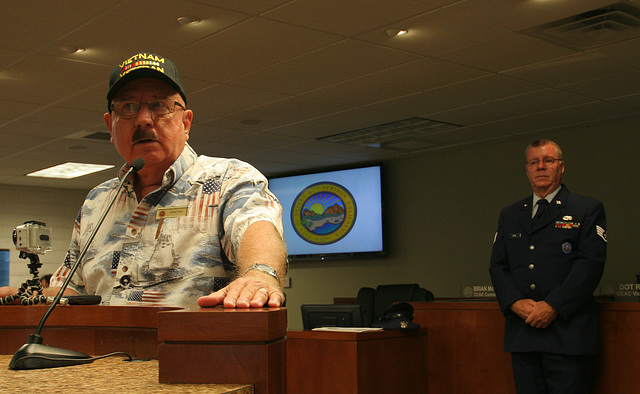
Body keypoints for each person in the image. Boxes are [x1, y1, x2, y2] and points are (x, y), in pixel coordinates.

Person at [1, 52, 287, 308]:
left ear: (185, 123)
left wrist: (261, 273)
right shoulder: (97, 202)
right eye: (127, 107)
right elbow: (72, 293)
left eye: (159, 105)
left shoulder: (228, 179)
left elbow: (257, 229)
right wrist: (23, 300)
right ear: (109, 125)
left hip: (192, 360)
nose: (143, 119)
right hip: (102, 362)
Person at [489, 139, 607, 393]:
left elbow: (590, 264)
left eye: (548, 161)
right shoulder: (510, 215)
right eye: (534, 162)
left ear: (561, 167)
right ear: (527, 169)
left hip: (568, 335)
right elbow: (498, 267)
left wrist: (554, 305)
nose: (540, 167)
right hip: (524, 334)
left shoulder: (586, 209)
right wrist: (513, 302)